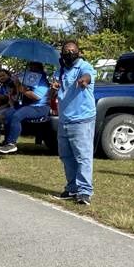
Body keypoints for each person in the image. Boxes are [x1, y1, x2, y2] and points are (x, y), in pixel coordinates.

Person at [51, 42, 97, 204]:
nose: (70, 53)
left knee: (83, 156)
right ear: (62, 54)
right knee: (66, 156)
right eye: (66, 51)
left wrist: (83, 81)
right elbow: (55, 85)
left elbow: (88, 76)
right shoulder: (61, 70)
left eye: (73, 51)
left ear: (78, 52)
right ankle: (72, 188)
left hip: (81, 119)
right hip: (65, 119)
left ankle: (85, 192)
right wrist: (54, 86)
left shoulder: (84, 66)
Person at [0, 62, 51, 154]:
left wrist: (23, 90)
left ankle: (11, 144)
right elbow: (19, 94)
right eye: (30, 67)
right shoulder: (27, 78)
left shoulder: (42, 81)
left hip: (40, 107)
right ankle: (6, 142)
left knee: (17, 115)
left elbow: (36, 97)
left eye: (33, 68)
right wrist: (17, 85)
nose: (30, 69)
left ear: (38, 69)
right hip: (27, 106)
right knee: (8, 114)